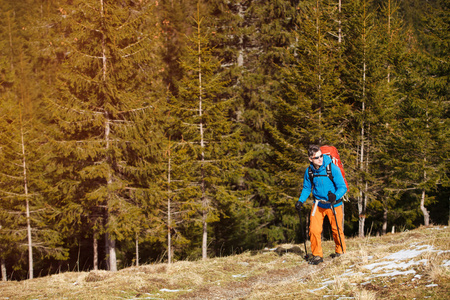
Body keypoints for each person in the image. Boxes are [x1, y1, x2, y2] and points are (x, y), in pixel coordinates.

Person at [295, 144, 347, 265]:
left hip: (334, 204)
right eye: (317, 157)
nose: (320, 159)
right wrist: (300, 201)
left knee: (336, 229)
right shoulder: (309, 171)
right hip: (318, 204)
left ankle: (340, 252)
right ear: (310, 159)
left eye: (321, 156)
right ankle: (317, 255)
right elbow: (307, 188)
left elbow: (342, 187)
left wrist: (335, 196)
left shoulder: (332, 168)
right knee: (313, 230)